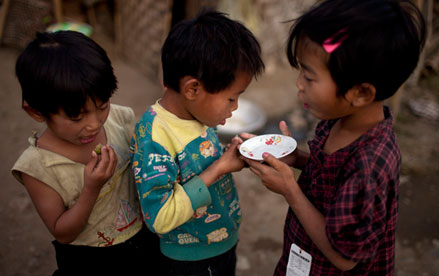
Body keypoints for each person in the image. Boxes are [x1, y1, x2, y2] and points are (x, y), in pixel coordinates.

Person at [241, 0, 426, 275]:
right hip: (304, 260)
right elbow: (333, 179)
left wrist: (291, 190)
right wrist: (297, 159)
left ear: (361, 93)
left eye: (310, 77)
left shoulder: (369, 166)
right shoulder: (339, 122)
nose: (299, 84)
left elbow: (344, 257)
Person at [11, 31, 160, 275]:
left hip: (144, 239)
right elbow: (63, 232)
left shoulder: (117, 119)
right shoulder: (38, 167)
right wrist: (91, 188)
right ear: (37, 112)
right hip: (90, 261)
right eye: (76, 116)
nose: (94, 124)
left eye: (102, 107)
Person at [130, 10, 264, 276]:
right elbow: (159, 217)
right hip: (190, 261)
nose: (235, 107)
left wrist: (229, 155)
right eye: (231, 99)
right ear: (192, 89)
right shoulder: (155, 140)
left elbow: (196, 163)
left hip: (220, 243)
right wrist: (219, 169)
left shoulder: (195, 114)